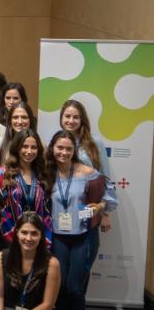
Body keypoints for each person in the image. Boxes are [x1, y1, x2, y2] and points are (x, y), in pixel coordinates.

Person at [45, 130, 115, 310]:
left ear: (74, 150)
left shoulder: (88, 173)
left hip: (82, 237)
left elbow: (109, 194)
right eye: (60, 147)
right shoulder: (46, 173)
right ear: (52, 148)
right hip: (57, 237)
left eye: (69, 149)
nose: (64, 152)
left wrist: (100, 207)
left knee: (75, 288)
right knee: (59, 287)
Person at [59, 99, 118, 284]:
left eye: (76, 117)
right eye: (67, 116)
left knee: (79, 277)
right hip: (61, 213)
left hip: (87, 212)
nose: (71, 120)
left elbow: (105, 179)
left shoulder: (94, 143)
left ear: (82, 119)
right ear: (61, 118)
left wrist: (105, 211)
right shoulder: (57, 140)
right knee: (61, 276)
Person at [0, 129, 52, 246]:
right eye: (24, 146)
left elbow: (47, 211)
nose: (29, 151)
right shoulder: (2, 175)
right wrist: (15, 237)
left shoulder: (42, 176)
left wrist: (38, 237)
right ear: (16, 148)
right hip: (9, 238)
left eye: (33, 147)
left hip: (36, 239)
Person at [0, 212, 61, 310]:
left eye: (34, 233)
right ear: (17, 233)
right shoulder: (2, 257)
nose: (28, 238)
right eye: (24, 232)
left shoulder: (52, 264)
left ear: (41, 235)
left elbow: (48, 304)